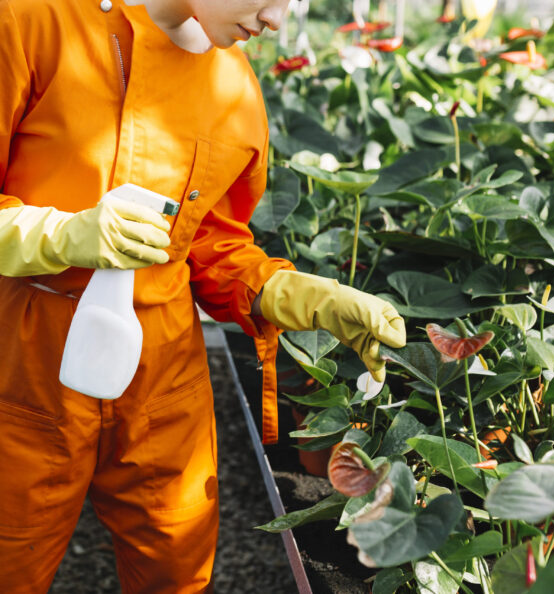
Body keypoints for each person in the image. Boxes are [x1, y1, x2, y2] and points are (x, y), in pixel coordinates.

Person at [0, 0, 406, 591]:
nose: (276, 18)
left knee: (176, 563)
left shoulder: (232, 85)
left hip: (164, 373)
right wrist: (60, 234)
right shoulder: (33, 23)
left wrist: (301, 295)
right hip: (23, 359)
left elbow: (212, 246)